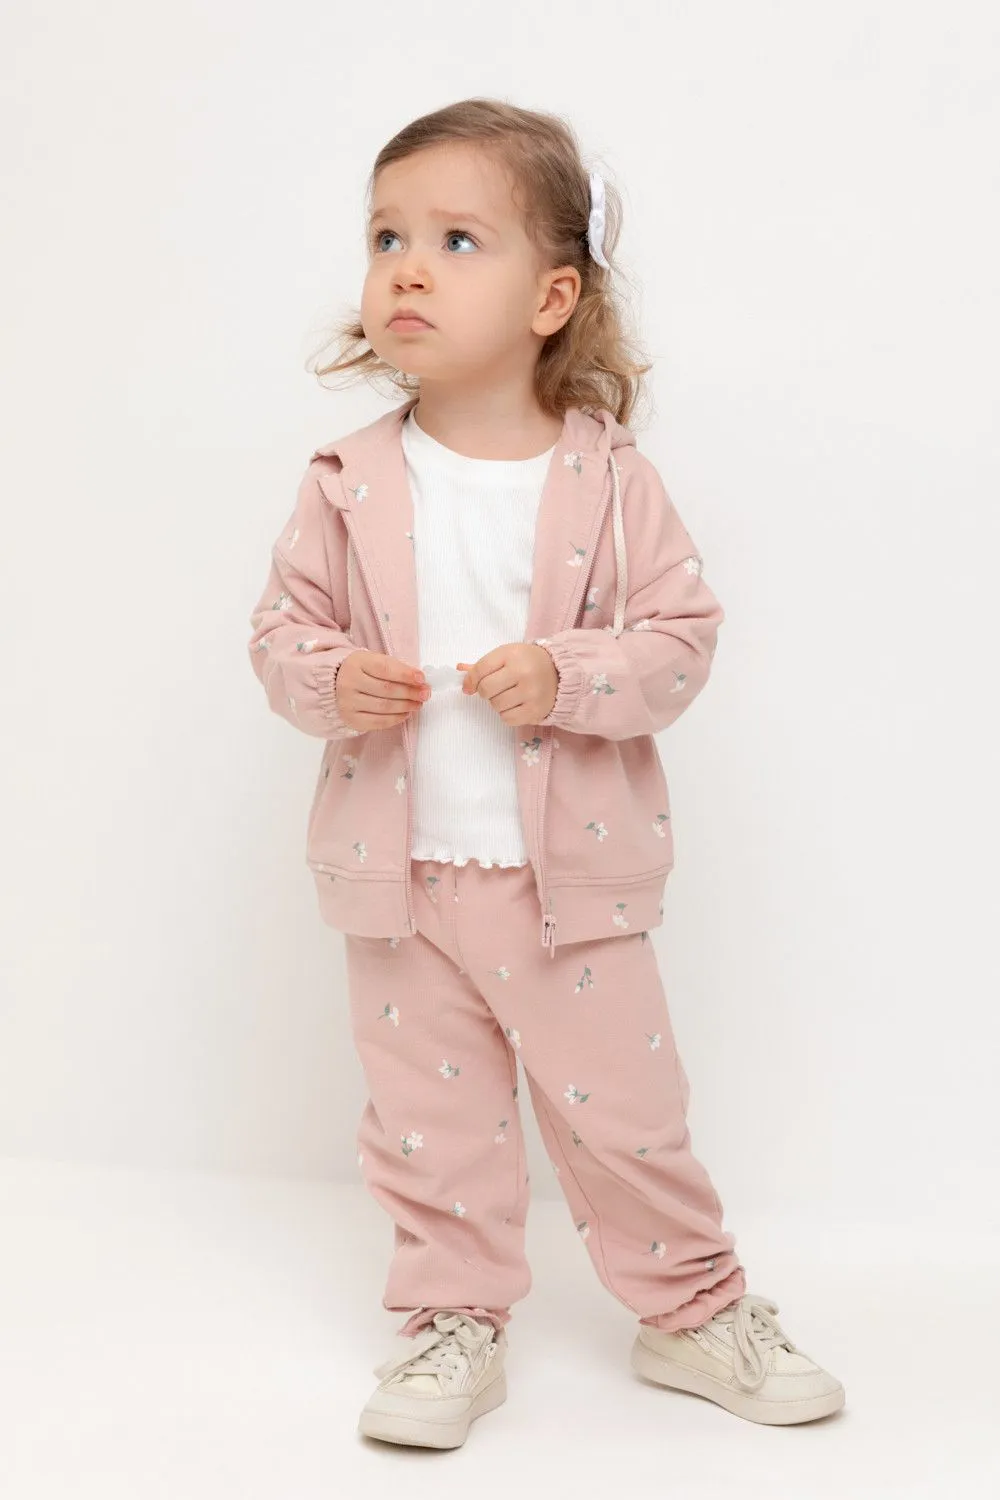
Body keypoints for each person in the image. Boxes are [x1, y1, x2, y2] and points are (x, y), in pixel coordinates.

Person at [247, 97, 844, 1448]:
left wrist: (568, 676)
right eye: (387, 238)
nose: (408, 268)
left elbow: (680, 641)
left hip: (572, 884)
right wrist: (331, 680)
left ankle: (691, 1309)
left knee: (626, 1117)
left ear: (551, 297)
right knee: (429, 1124)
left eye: (457, 241)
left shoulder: (610, 481)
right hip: (397, 882)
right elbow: (280, 635)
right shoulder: (344, 479)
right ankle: (451, 1320)